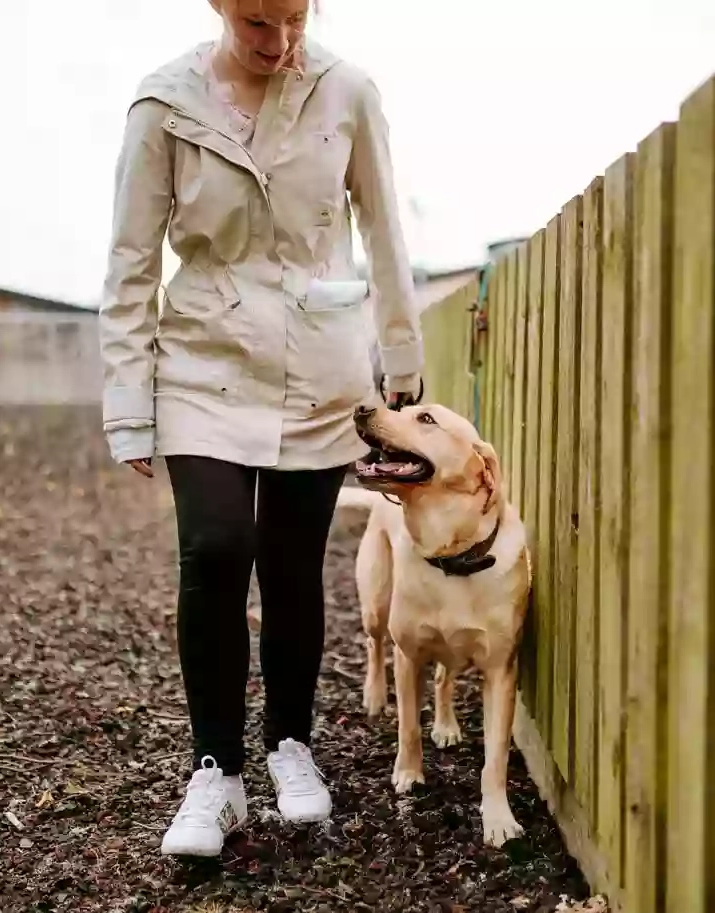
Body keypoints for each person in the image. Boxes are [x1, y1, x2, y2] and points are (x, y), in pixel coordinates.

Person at [97, 0, 423, 858]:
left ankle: (290, 745)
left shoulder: (348, 91)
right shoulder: (163, 104)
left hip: (319, 367)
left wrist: (403, 367)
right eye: (254, 23)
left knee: (289, 562)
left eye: (292, 19)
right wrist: (129, 399)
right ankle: (215, 771)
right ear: (217, 8)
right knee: (213, 548)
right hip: (203, 359)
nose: (277, 44)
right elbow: (132, 258)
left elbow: (385, 233)